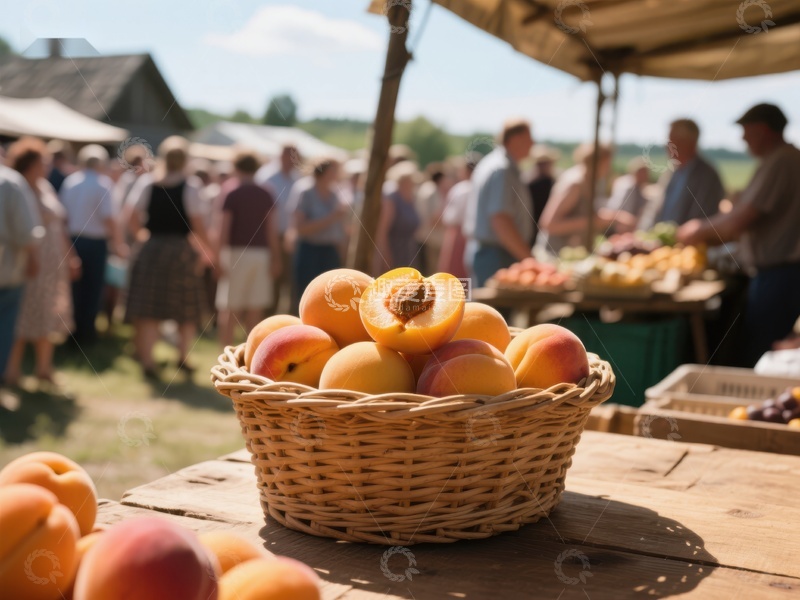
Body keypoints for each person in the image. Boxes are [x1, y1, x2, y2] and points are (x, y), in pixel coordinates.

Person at [678, 103, 800, 366]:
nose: (742, 138)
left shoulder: (782, 160)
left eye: (746, 131)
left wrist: (697, 230)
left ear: (763, 130)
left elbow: (739, 220)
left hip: (779, 276)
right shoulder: (782, 159)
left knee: (760, 355)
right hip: (778, 274)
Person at [124, 136, 215, 378]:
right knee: (184, 307)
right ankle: (182, 358)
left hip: (151, 248)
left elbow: (130, 215)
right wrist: (207, 250)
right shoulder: (191, 185)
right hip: (179, 250)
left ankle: (148, 362)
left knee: (150, 308)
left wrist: (142, 236)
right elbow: (198, 225)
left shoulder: (147, 182)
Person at [4, 138, 78, 387]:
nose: (47, 165)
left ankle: (44, 368)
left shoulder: (45, 186)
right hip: (30, 261)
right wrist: (32, 258)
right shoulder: (18, 187)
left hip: (51, 260)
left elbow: (59, 225)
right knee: (22, 314)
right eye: (42, 161)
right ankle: (11, 370)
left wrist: (71, 256)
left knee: (47, 311)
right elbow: (24, 230)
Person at [216, 149, 281, 347]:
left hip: (236, 254)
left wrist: (219, 258)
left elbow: (223, 230)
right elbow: (272, 230)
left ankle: (224, 354)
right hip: (261, 255)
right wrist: (276, 257)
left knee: (230, 309)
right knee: (255, 309)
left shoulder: (232, 193)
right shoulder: (266, 193)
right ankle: (251, 353)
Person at [60, 144, 124, 344]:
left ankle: (72, 333)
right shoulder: (103, 183)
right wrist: (119, 243)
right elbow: (109, 218)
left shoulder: (71, 181)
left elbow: (62, 216)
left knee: (75, 288)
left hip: (72, 242)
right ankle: (86, 334)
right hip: (95, 243)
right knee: (93, 289)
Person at [463, 119, 535, 287]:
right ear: (515, 138)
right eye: (529, 137)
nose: (533, 143)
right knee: (493, 312)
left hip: (491, 252)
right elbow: (500, 219)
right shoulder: (502, 169)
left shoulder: (495, 164)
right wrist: (528, 259)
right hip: (496, 255)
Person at [535, 143, 619, 257]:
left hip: (568, 254)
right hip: (554, 256)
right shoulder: (575, 184)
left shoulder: (588, 180)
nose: (609, 168)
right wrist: (593, 221)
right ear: (597, 162)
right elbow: (549, 224)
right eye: (607, 163)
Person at [0, 163, 43, 384]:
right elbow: (26, 231)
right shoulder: (10, 181)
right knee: (4, 323)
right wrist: (33, 257)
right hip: (6, 271)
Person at [289, 158, 347, 303]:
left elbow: (339, 228)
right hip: (309, 250)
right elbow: (300, 228)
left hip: (329, 251)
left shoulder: (334, 193)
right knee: (307, 295)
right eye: (334, 170)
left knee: (330, 294)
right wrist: (332, 217)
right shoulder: (305, 191)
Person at [652, 119, 725, 226]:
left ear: (691, 142)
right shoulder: (671, 173)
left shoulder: (707, 175)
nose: (667, 146)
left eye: (673, 141)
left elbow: (701, 219)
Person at [256, 145, 301, 315]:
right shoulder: (267, 177)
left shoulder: (297, 178)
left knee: (291, 279)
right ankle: (267, 319)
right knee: (271, 279)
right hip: (270, 235)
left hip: (290, 235)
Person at [375, 161, 422, 273]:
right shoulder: (392, 198)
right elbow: (382, 231)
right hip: (393, 249)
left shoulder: (412, 197)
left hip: (409, 250)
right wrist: (386, 256)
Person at [437, 154, 479, 278]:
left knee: (454, 271)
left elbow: (449, 217)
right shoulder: (476, 188)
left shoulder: (461, 189)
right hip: (472, 234)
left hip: (458, 234)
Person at [415, 163, 452, 274]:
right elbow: (434, 219)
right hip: (432, 239)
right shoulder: (432, 192)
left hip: (426, 237)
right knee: (433, 271)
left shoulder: (426, 189)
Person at [604, 157, 653, 233]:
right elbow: (621, 208)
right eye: (642, 173)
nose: (645, 176)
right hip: (618, 224)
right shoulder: (628, 186)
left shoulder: (639, 187)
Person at [527, 145, 560, 246]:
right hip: (531, 227)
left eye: (546, 162)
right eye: (540, 163)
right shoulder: (529, 183)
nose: (543, 165)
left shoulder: (554, 182)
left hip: (544, 228)